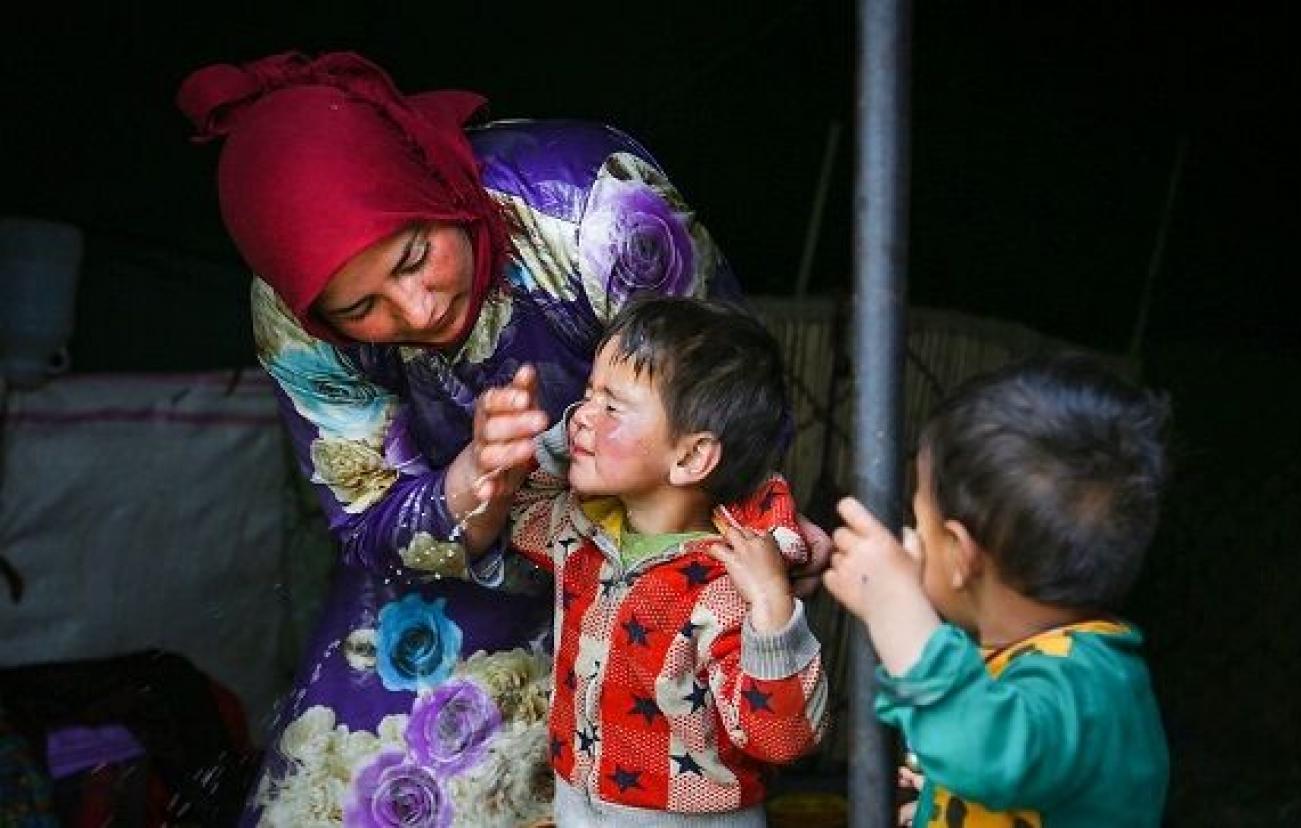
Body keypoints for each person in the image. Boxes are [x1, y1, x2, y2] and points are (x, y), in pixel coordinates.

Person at [175, 50, 829, 826]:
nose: (416, 311)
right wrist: (474, 484)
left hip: (663, 550)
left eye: (415, 257)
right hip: (451, 584)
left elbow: (725, 394)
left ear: (436, 190)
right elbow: (370, 519)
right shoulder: (296, 318)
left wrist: (765, 539)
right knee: (357, 793)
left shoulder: (593, 211)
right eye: (361, 310)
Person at [494, 295, 828, 826]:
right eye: (587, 394)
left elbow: (781, 738)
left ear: (692, 456)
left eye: (612, 406)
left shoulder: (727, 583)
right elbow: (519, 507)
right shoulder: (583, 535)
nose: (581, 417)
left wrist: (771, 604)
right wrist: (565, 438)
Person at [823, 354, 1171, 828]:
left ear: (961, 553)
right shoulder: (1062, 662)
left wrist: (896, 608)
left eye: (920, 521)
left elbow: (987, 751)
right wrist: (947, 801)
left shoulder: (1087, 685)